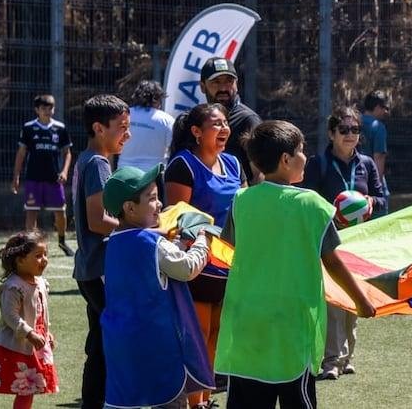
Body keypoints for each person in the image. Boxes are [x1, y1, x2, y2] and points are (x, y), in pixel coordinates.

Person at [215, 120, 376, 408]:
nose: (306, 156)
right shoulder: (313, 205)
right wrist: (361, 301)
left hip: (247, 324)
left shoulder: (241, 200)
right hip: (292, 326)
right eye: (301, 150)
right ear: (286, 159)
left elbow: (229, 248)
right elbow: (333, 262)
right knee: (297, 397)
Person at [101, 165, 214, 409]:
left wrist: (175, 244)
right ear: (129, 208)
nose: (160, 204)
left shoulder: (113, 242)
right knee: (168, 401)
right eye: (152, 199)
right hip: (156, 344)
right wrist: (203, 240)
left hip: (121, 343)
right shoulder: (152, 242)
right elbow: (186, 268)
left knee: (125, 401)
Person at [164, 103, 246, 406]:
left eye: (226, 123)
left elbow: (244, 209)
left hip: (230, 263)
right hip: (197, 265)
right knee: (198, 334)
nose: (224, 129)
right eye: (216, 124)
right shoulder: (182, 165)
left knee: (218, 336)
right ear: (196, 132)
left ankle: (205, 399)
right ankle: (192, 401)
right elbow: (176, 219)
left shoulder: (235, 164)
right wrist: (202, 244)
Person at [300, 106, 387, 381]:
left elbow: (382, 197)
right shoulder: (318, 163)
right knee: (333, 303)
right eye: (344, 130)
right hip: (329, 240)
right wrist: (332, 210)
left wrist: (371, 202)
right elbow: (307, 199)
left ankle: (348, 357)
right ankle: (331, 361)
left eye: (355, 130)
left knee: (353, 297)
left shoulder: (367, 164)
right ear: (331, 133)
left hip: (359, 241)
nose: (350, 135)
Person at [72, 94, 130, 409]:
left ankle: (95, 402)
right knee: (112, 341)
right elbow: (97, 221)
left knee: (100, 343)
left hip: (89, 268)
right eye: (122, 127)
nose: (128, 134)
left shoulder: (87, 159)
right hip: (99, 269)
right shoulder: (96, 162)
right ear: (98, 128)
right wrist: (136, 227)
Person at [0, 232, 58, 409]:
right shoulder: (13, 287)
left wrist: (47, 333)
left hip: (34, 344)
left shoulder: (40, 282)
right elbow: (10, 316)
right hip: (16, 346)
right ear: (20, 260)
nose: (44, 260)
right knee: (24, 389)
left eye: (45, 255)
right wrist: (30, 333)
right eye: (38, 256)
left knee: (29, 389)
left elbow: (40, 312)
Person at [11, 94, 74, 256]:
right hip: (34, 177)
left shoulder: (60, 128)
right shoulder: (29, 128)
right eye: (43, 108)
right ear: (36, 110)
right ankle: (30, 244)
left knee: (60, 212)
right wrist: (16, 176)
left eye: (50, 108)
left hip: (54, 178)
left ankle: (62, 241)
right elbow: (21, 153)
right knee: (31, 211)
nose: (47, 111)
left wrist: (65, 171)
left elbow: (67, 153)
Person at [200, 57, 262, 182]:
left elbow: (259, 173)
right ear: (202, 86)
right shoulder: (198, 119)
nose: (223, 88)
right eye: (216, 82)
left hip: (239, 199)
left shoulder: (248, 120)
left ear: (236, 84)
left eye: (229, 81)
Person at [120, 80, 175, 174]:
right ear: (157, 99)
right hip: (153, 175)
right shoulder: (167, 120)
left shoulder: (124, 115)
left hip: (123, 172)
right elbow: (173, 149)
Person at [360, 90, 391, 216]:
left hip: (355, 177)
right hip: (372, 178)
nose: (386, 112)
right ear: (377, 107)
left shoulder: (354, 122)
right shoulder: (378, 127)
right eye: (385, 108)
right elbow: (379, 157)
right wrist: (376, 186)